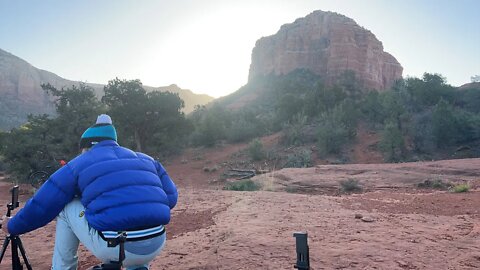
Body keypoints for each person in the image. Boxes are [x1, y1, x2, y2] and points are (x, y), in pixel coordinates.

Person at [1, 114, 178, 270]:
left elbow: (43, 205)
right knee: (137, 214)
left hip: (116, 247)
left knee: (66, 207)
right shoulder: (147, 160)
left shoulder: (79, 163)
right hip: (156, 243)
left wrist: (13, 225)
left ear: (87, 147)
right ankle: (138, 267)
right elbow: (171, 198)